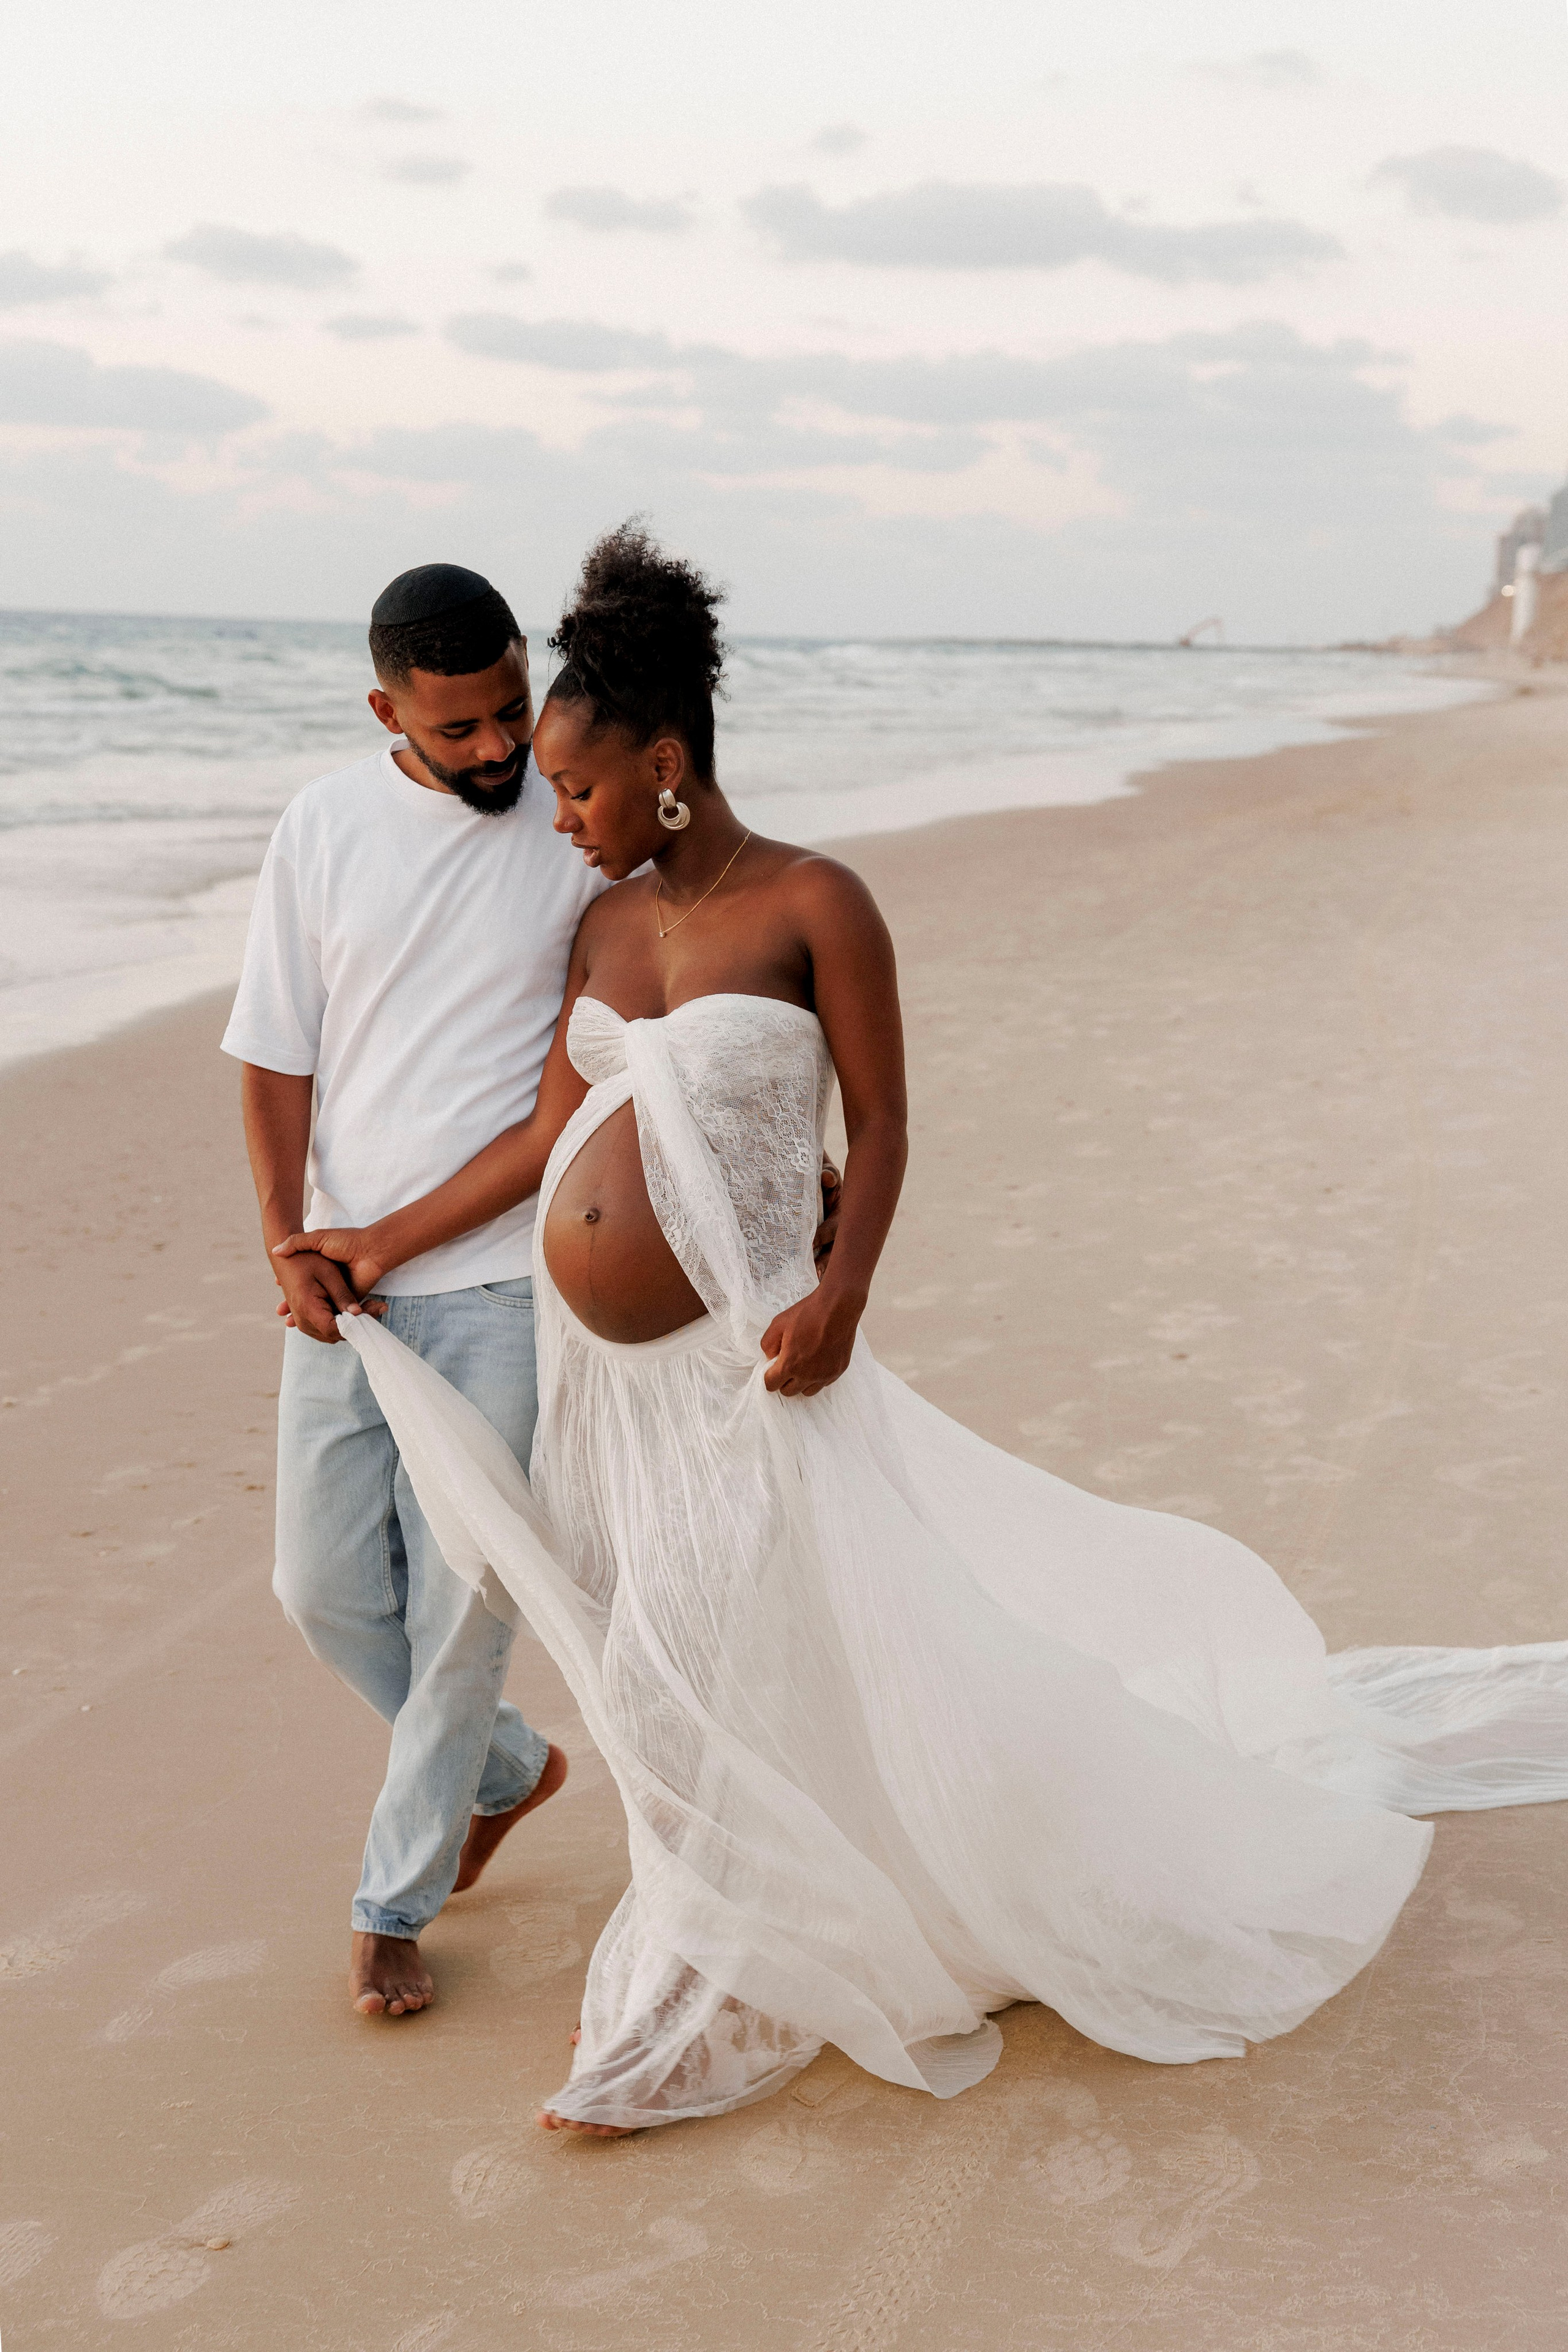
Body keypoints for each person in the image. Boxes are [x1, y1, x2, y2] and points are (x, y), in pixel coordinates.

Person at [276, 522, 1568, 2135]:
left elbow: (880, 1127)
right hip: (613, 1388)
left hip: (757, 1364)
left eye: (584, 791)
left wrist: (841, 1296)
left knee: (751, 1663)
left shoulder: (817, 902)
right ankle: (714, 1949)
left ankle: (707, 1987)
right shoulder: (599, 928)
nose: (562, 820)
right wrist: (374, 1240)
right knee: (661, 1678)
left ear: (664, 764)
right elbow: (554, 1135)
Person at [222, 564, 603, 2019]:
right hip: (341, 1287)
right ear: (388, 708)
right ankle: (506, 1771)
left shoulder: (570, 833)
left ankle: (394, 1902)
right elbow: (273, 1050)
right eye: (461, 731)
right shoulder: (321, 827)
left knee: (459, 1613)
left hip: (503, 1287)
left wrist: (383, 1244)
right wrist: (289, 1239)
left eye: (513, 710)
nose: (502, 751)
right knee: (319, 1591)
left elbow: (553, 1114)